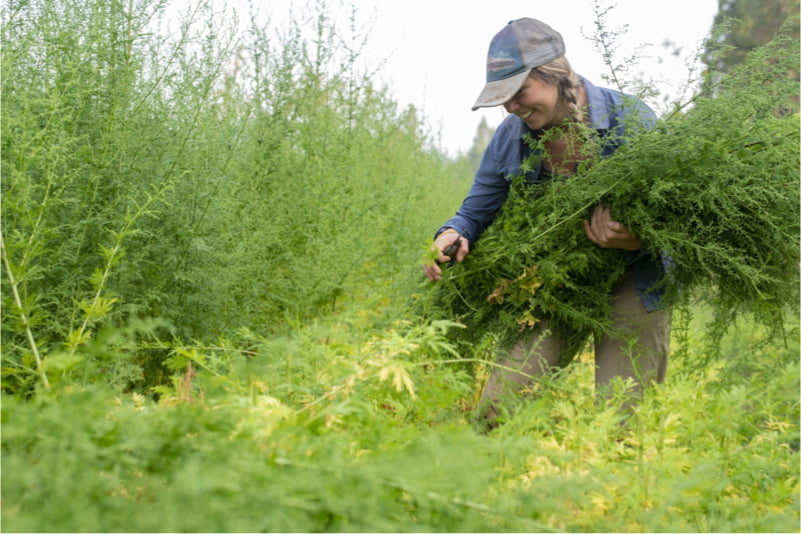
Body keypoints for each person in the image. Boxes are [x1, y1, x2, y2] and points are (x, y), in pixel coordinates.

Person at [423, 18, 671, 430]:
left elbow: (680, 222)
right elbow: (474, 211)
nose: (512, 107)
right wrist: (452, 233)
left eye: (519, 93)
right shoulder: (511, 137)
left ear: (556, 75)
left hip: (635, 278)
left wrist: (636, 239)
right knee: (496, 412)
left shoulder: (632, 121)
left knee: (622, 422)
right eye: (503, 99)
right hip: (555, 281)